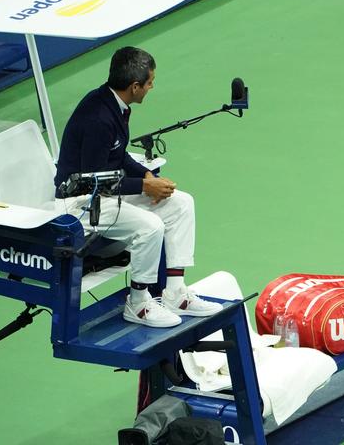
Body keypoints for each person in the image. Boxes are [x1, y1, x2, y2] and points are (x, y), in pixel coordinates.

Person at [55, 46, 222, 328]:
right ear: (135, 86)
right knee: (151, 226)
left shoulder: (116, 106)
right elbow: (92, 180)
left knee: (181, 204)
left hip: (102, 193)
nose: (152, 86)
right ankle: (139, 303)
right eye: (149, 82)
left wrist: (147, 177)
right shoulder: (98, 118)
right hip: (80, 204)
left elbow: (117, 158)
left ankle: (176, 294)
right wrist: (145, 188)